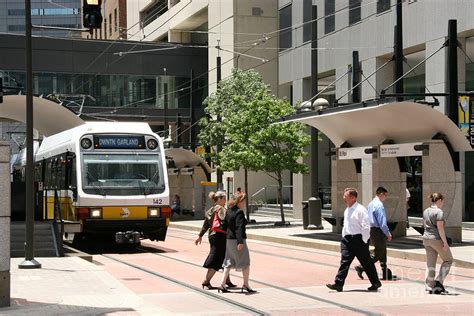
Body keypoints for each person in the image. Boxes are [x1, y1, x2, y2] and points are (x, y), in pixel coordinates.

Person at [326, 188, 382, 292]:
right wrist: (344, 236)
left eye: (345, 196)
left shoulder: (360, 209)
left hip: (358, 240)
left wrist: (364, 240)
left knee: (366, 262)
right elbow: (346, 225)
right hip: (347, 240)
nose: (344, 198)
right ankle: (338, 284)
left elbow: (366, 226)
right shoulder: (347, 209)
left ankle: (375, 282)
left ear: (353, 197)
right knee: (344, 262)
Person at [195, 191, 235, 290]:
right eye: (224, 198)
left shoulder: (211, 209)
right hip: (219, 236)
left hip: (212, 236)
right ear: (220, 199)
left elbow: (206, 224)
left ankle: (227, 280)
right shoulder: (221, 209)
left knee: (225, 257)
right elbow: (224, 220)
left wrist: (200, 235)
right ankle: (206, 281)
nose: (225, 200)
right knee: (216, 258)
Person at [218, 191, 256, 293]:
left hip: (229, 240)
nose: (243, 203)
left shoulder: (229, 210)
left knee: (228, 262)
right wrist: (240, 242)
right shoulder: (239, 212)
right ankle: (246, 284)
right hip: (237, 240)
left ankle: (222, 284)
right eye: (242, 200)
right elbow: (239, 228)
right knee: (245, 262)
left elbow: (224, 225)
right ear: (238, 201)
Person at [355, 187, 392, 280]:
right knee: (379, 252)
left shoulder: (371, 204)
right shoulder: (379, 205)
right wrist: (388, 233)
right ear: (381, 194)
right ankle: (361, 266)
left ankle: (384, 271)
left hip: (372, 230)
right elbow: (382, 222)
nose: (385, 198)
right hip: (378, 230)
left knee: (382, 250)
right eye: (385, 195)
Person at [422, 192, 453, 294]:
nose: (443, 203)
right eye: (442, 201)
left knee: (430, 263)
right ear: (439, 200)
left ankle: (429, 286)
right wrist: (445, 242)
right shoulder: (439, 212)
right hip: (436, 239)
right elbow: (440, 229)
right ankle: (439, 281)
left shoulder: (426, 211)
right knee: (448, 260)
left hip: (426, 239)